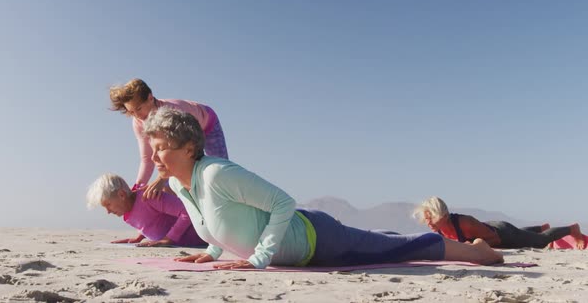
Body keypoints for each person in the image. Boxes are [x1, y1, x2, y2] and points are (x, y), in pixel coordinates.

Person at [140, 106, 504, 269]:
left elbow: (283, 202)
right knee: (380, 240)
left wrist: (258, 259)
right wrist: (213, 250)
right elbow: (218, 221)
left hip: (315, 239)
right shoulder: (180, 183)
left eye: (161, 148)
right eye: (152, 148)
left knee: (400, 249)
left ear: (189, 147)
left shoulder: (217, 174)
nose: (154, 157)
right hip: (306, 246)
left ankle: (481, 253)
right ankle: (462, 245)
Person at [109, 78, 228, 197]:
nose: (137, 115)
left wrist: (161, 179)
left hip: (207, 125)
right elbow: (147, 158)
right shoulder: (138, 122)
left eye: (139, 109)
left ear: (150, 98)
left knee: (219, 170)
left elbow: (181, 150)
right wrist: (138, 186)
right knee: (172, 184)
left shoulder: (173, 111)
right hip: (184, 139)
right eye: (131, 112)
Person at [413, 196, 586, 250]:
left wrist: (472, 246)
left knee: (541, 241)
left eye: (431, 217)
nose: (427, 222)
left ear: (443, 214)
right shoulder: (440, 227)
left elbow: (494, 239)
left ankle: (572, 229)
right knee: (525, 235)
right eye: (425, 218)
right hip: (491, 228)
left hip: (502, 233)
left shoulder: (465, 223)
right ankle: (540, 227)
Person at [86, 173, 207, 248]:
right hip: (181, 243)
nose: (108, 211)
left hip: (200, 239)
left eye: (108, 204)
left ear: (122, 195)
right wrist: (140, 236)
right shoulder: (127, 209)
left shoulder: (148, 197)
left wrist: (168, 239)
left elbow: (187, 211)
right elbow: (149, 220)